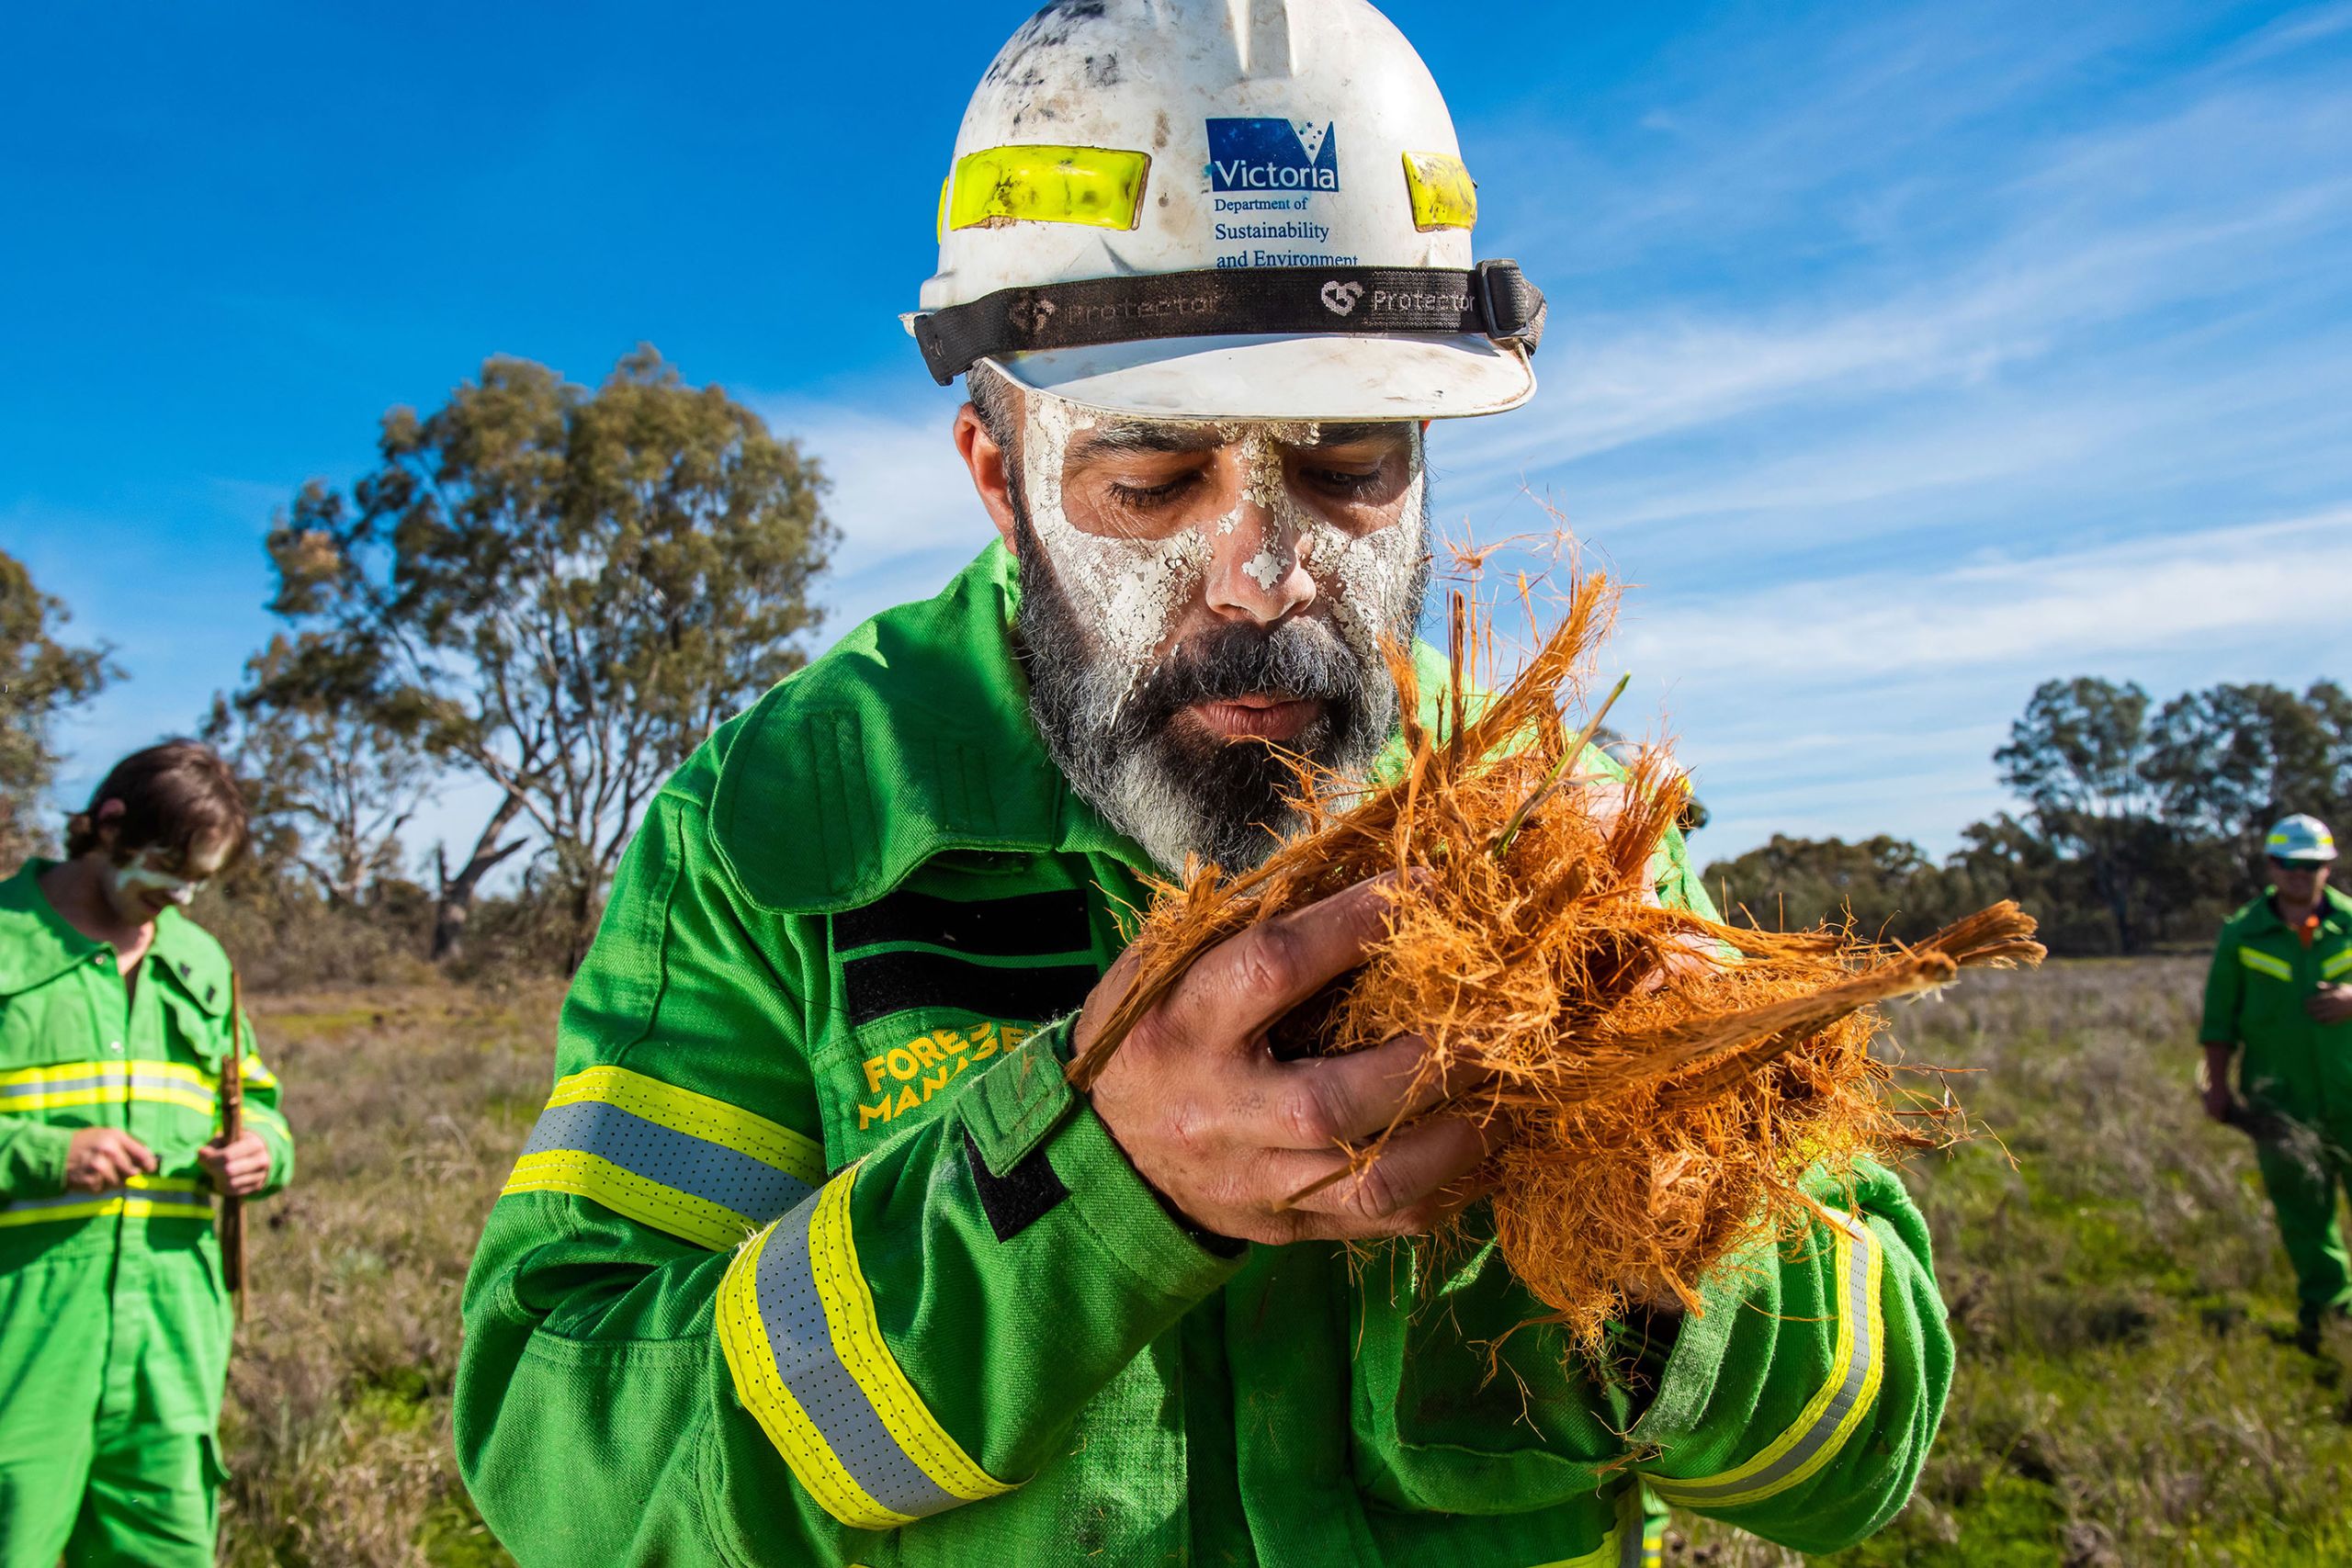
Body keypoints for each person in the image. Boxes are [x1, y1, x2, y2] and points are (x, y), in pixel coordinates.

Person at [457, 4, 1951, 1563]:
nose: (1264, 572)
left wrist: (1668, 1192)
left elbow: (1858, 1454)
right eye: (1153, 476)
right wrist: (1083, 1197)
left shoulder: (1555, 824)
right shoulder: (788, 825)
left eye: (1348, 465)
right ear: (998, 472)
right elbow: (568, 1455)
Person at [0, 739, 295, 1567]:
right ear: (107, 824)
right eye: (169, 866)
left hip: (171, 1346)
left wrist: (260, 1153)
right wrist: (37, 1152)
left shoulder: (200, 962)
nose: (181, 895)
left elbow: (262, 1105)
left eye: (201, 878)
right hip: (22, 1338)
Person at [2199, 812, 2352, 1352]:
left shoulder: (2351, 922)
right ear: (2271, 865)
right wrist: (2217, 1086)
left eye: (2311, 864)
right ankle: (2327, 1315)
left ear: (2328, 867)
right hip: (2281, 1101)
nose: (2300, 873)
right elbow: (2219, 1020)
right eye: (2289, 863)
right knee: (2304, 1211)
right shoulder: (2242, 933)